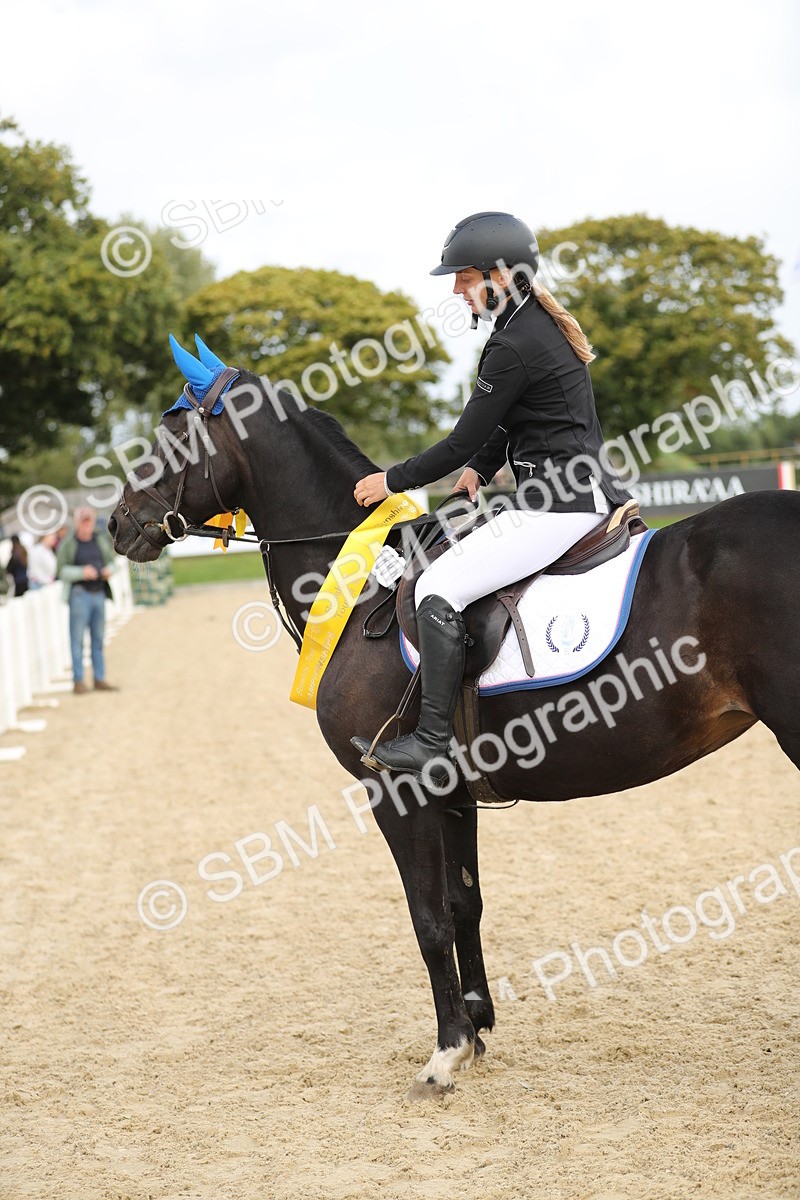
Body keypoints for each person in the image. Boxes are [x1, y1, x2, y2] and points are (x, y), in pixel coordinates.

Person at [351, 211, 631, 785]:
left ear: (499, 278)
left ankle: (432, 743)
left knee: (434, 588)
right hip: (567, 493)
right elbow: (506, 427)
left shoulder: (513, 345)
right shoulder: (528, 328)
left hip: (557, 505)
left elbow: (460, 439)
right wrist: (481, 469)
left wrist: (393, 480)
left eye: (463, 277)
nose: (456, 289)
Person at [56, 506, 119, 694]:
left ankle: (99, 678)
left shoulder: (99, 540)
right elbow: (61, 570)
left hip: (98, 593)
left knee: (98, 639)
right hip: (79, 594)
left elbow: (112, 562)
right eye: (83, 520)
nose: (86, 524)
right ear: (77, 523)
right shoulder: (68, 543)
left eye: (89, 520)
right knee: (77, 640)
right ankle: (78, 681)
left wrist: (110, 571)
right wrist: (81, 572)